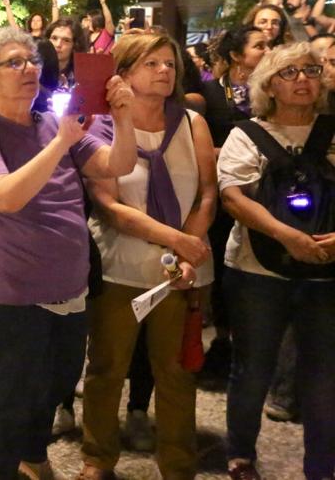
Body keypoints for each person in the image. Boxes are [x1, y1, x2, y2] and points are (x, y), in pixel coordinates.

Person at [0, 26, 136, 480]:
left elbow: (118, 165)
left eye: (31, 60)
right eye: (13, 62)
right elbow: (4, 196)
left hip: (67, 285)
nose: (28, 69)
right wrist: (61, 143)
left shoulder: (52, 123)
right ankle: (0, 470)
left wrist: (125, 116)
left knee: (56, 383)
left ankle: (33, 454)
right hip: (9, 289)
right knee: (12, 391)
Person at [80, 32, 217, 480]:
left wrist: (189, 250)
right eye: (152, 64)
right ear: (124, 73)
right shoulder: (102, 126)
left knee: (176, 373)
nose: (165, 71)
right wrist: (176, 240)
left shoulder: (192, 123)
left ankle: (178, 465)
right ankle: (97, 459)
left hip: (181, 272)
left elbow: (208, 193)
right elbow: (110, 205)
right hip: (121, 265)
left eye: (170, 64)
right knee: (106, 369)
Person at [217, 43, 335, 480]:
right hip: (255, 271)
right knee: (252, 368)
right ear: (268, 84)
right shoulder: (246, 134)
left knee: (324, 375)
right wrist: (286, 235)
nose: (303, 79)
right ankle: (241, 455)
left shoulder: (332, 129)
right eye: (290, 72)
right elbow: (233, 198)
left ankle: (322, 466)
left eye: (310, 69)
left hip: (325, 271)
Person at [200, 25, 270, 379]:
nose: (267, 50)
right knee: (224, 268)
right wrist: (230, 154)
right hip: (220, 193)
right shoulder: (209, 93)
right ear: (236, 56)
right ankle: (223, 340)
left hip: (265, 193)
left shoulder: (271, 95)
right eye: (259, 46)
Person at [45, 19, 89, 89]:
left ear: (75, 45)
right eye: (54, 38)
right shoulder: (36, 71)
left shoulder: (83, 75)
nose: (58, 44)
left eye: (66, 40)